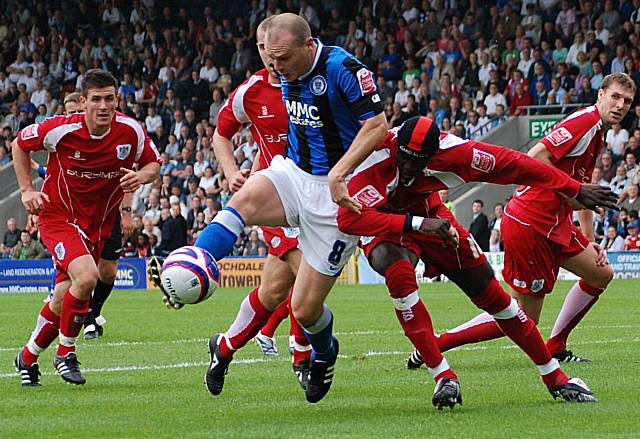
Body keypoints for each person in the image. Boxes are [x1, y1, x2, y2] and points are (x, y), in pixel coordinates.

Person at [178, 13, 387, 403]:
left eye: (282, 58)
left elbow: (377, 124)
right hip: (292, 175)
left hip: (336, 199)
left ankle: (314, 351)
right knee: (243, 202)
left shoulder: (344, 69)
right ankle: (195, 260)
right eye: (267, 57)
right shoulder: (263, 83)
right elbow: (227, 133)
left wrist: (341, 173)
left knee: (299, 305)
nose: (275, 67)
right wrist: (240, 172)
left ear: (309, 46)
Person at [338, 117, 616, 405]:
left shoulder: (455, 153)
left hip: (431, 216)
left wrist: (573, 188)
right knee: (398, 274)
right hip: (384, 221)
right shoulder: (375, 157)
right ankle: (443, 375)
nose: (409, 165)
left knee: (496, 298)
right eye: (406, 158)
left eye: (419, 160)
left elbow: (515, 163)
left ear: (434, 155)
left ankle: (554, 376)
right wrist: (419, 225)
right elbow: (348, 218)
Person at [148, 17, 313, 385]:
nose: (269, 56)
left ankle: (223, 347)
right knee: (309, 276)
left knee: (273, 292)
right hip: (277, 198)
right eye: (261, 48)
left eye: (275, 49)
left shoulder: (315, 83)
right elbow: (221, 134)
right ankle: (303, 356)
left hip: (316, 195)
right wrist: (230, 170)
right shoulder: (251, 92)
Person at [433, 73, 636, 363]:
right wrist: (572, 192)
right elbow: (536, 155)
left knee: (600, 273)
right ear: (600, 94)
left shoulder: (598, 132)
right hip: (532, 222)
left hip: (556, 222)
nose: (620, 105)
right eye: (615, 96)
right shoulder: (585, 122)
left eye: (627, 101)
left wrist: (591, 240)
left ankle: (557, 346)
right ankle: (438, 343)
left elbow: (584, 193)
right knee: (523, 315)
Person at [12, 69, 161, 386]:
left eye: (110, 99)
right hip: (59, 216)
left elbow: (153, 163)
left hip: (99, 225)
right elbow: (19, 144)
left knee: (63, 297)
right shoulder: (61, 129)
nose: (104, 106)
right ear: (83, 102)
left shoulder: (130, 132)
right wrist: (26, 190)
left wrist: (142, 177)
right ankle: (66, 353)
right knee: (88, 277)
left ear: (118, 100)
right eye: (96, 99)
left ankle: (27, 356)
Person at [31, 91, 133, 340]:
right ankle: (70, 339)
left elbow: (126, 175)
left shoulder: (115, 135)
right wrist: (30, 195)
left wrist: (127, 211)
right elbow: (51, 174)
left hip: (105, 215)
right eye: (68, 111)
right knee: (80, 278)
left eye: (75, 109)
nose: (73, 115)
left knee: (107, 272)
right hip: (69, 218)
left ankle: (92, 312)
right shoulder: (61, 135)